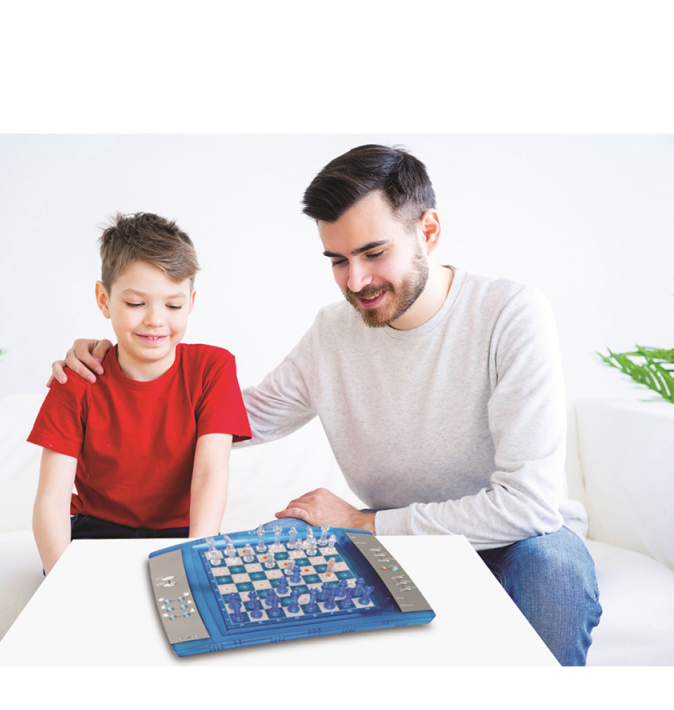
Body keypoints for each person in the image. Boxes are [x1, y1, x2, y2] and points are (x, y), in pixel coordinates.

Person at [49, 146, 602, 665]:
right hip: (392, 544)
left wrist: (363, 522)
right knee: (271, 553)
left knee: (552, 566)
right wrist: (126, 367)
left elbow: (528, 507)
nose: (355, 281)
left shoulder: (511, 314)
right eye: (337, 259)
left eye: (374, 253)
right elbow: (230, 418)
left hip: (512, 544)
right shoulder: (334, 332)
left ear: (428, 232)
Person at [30, 212, 251, 575]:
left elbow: (210, 473)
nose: (155, 320)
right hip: (96, 533)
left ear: (191, 302)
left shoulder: (214, 368)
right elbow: (51, 499)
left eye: (173, 305)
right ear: (104, 300)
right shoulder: (77, 379)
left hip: (184, 535)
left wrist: (196, 558)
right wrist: (61, 579)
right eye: (135, 304)